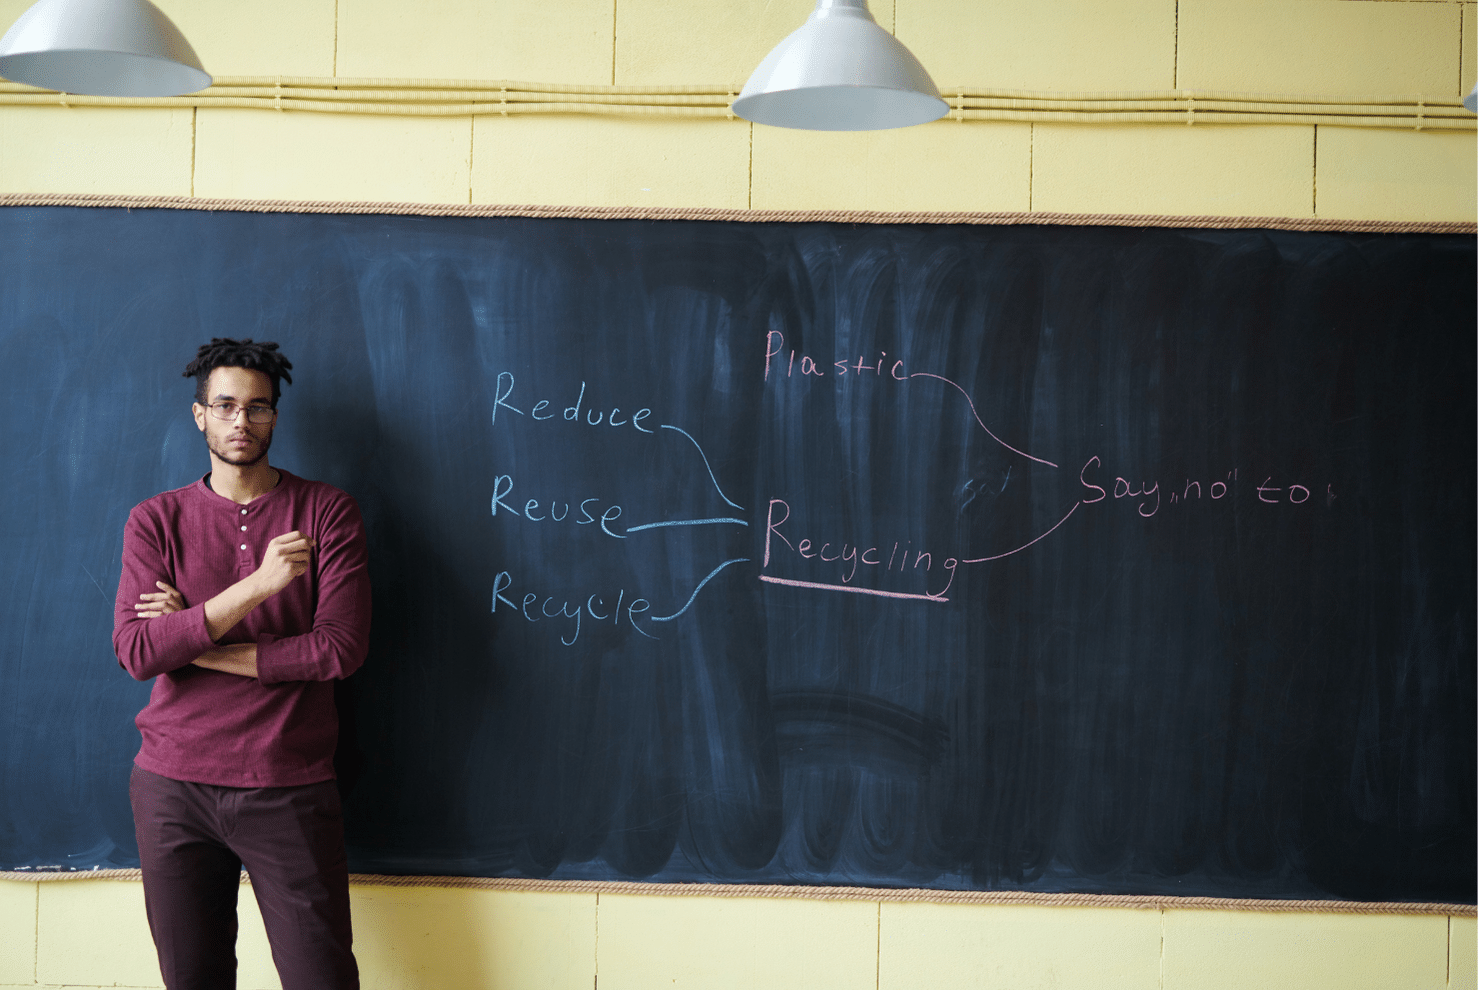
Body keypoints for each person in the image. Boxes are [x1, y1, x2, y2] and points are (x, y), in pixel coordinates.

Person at [112, 338, 371, 990]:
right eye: (225, 406)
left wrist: (191, 637)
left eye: (257, 407)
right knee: (192, 978)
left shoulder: (326, 511)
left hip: (288, 783)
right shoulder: (155, 521)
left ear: (275, 416)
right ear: (199, 415)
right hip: (172, 787)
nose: (240, 421)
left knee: (321, 978)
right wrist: (258, 587)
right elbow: (138, 652)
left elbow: (338, 649)